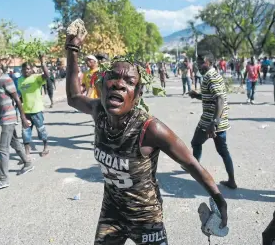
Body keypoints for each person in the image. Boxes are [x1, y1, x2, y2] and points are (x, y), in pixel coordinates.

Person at [65, 28, 228, 245]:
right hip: (111, 213)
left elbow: (190, 162)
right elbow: (74, 96)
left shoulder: (150, 129)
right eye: (112, 77)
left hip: (146, 219)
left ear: (138, 95)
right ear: (102, 85)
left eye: (129, 82)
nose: (119, 84)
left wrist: (219, 200)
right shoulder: (99, 113)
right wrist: (72, 49)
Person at [188, 52, 237, 190]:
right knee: (223, 151)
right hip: (219, 121)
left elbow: (220, 99)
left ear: (210, 62)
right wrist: (197, 95)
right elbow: (212, 96)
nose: (199, 65)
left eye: (202, 62)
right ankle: (232, 181)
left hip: (210, 122)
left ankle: (195, 169)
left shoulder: (211, 77)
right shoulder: (212, 75)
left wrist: (214, 123)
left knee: (195, 143)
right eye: (197, 62)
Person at [0, 55, 34, 190]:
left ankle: (3, 178)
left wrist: (24, 119)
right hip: (3, 118)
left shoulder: (6, 79)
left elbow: (17, 99)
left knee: (3, 148)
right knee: (14, 142)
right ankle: (27, 163)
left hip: (9, 117)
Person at [18, 54, 50, 158]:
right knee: (25, 132)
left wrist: (42, 62)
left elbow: (47, 75)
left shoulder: (36, 78)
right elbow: (22, 94)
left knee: (41, 129)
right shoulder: (19, 80)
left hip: (36, 110)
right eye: (24, 69)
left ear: (32, 69)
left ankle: (45, 147)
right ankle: (27, 153)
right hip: (25, 111)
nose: (25, 71)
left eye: (28, 69)